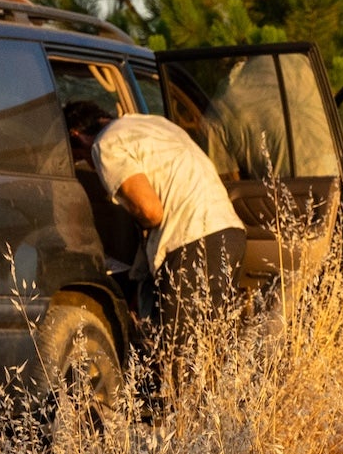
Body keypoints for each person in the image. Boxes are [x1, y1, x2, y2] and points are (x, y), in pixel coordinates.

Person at [65, 100, 248, 328]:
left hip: (190, 241)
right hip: (228, 232)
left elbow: (151, 212)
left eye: (80, 158)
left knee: (180, 352)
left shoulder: (105, 144)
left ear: (77, 135)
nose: (90, 166)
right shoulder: (153, 123)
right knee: (211, 338)